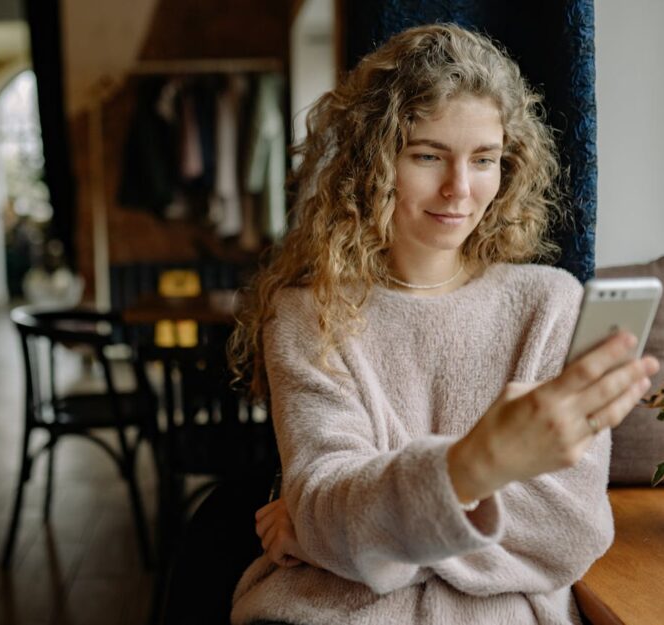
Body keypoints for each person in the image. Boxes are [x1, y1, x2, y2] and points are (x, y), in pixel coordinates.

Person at [226, 23, 659, 625]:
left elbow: (572, 532)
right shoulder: (309, 314)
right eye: (427, 155)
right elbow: (328, 507)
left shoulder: (549, 306)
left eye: (484, 159)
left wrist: (353, 537)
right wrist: (478, 469)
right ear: (371, 161)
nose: (460, 189)